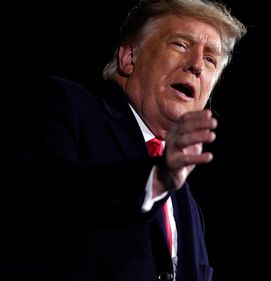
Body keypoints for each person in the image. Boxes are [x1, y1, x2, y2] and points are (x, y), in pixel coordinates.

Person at [1, 0, 246, 280]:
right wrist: (153, 179)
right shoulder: (62, 103)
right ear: (129, 58)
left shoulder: (187, 202)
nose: (197, 66)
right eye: (180, 44)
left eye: (211, 59)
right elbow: (37, 191)